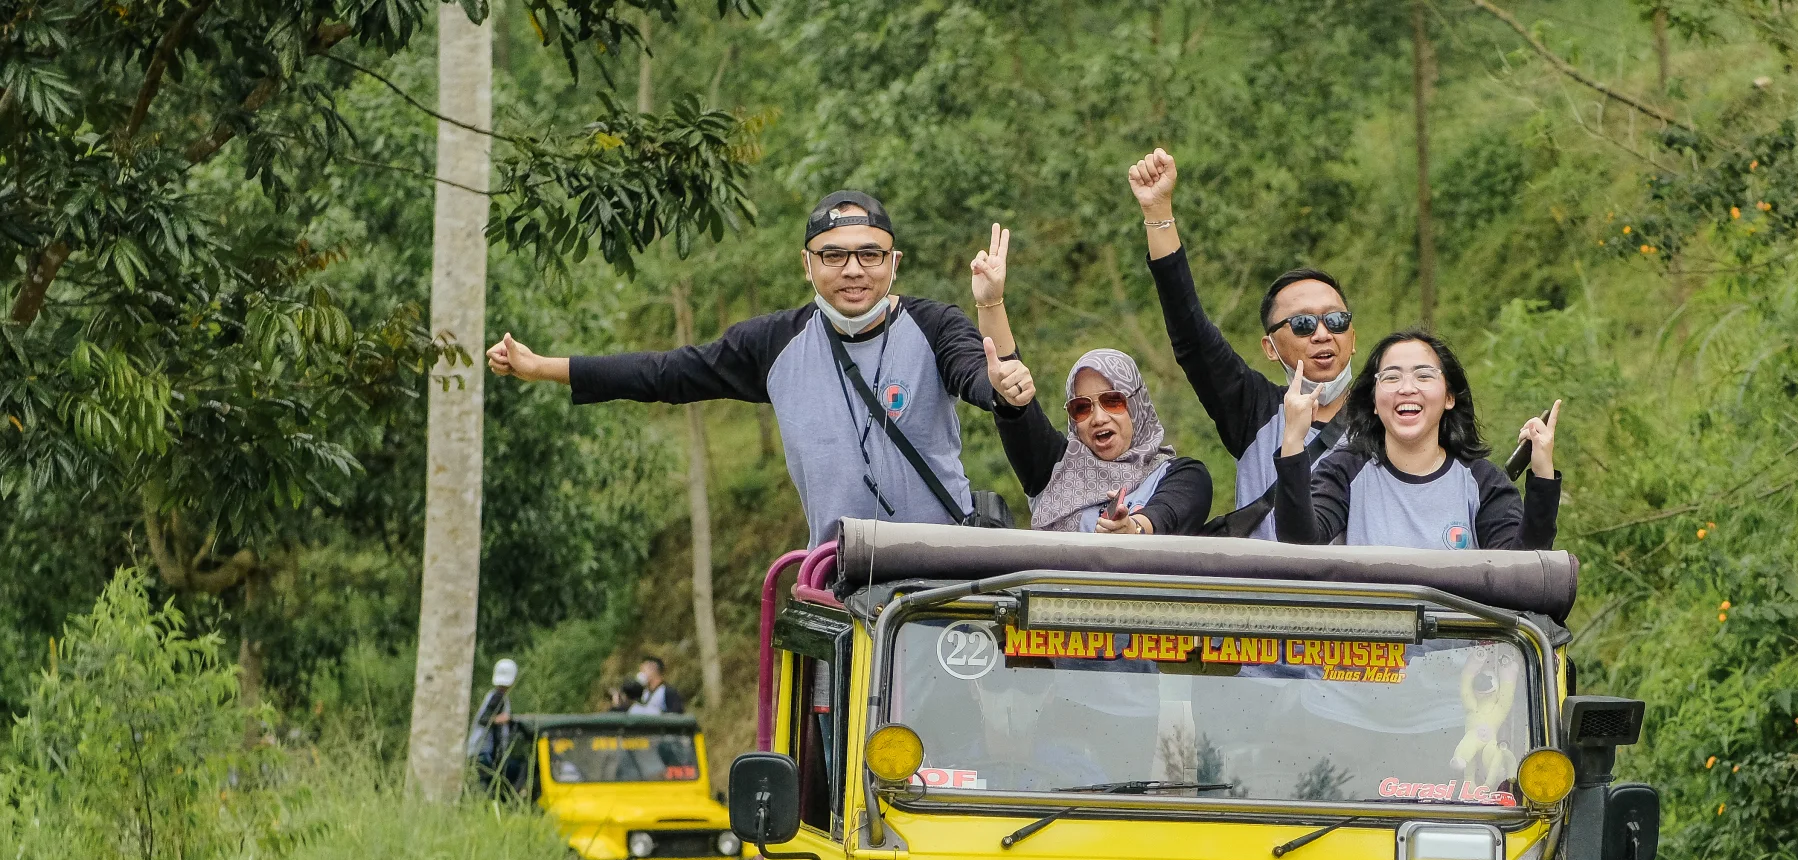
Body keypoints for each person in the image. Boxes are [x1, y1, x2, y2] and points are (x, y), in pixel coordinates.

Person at [485, 191, 999, 546]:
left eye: (869, 255)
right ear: (807, 265)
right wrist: (544, 367)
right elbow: (667, 373)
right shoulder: (774, 343)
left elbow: (981, 378)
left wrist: (999, 380)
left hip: (946, 570)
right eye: (833, 256)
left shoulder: (933, 324)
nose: (853, 270)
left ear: (893, 262)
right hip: (839, 578)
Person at [1125, 149, 1359, 539]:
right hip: (1262, 580)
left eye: (1335, 320)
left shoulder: (1389, 417)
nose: (1322, 334)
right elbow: (1192, 336)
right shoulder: (1254, 410)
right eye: (1302, 324)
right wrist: (1158, 213)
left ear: (1353, 338)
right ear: (1270, 348)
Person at [967, 225, 1210, 535]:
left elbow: (1167, 514)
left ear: (1136, 405)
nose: (1097, 418)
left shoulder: (1180, 475)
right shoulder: (1054, 468)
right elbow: (1013, 395)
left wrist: (1132, 530)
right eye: (1081, 408)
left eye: (1112, 401)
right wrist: (991, 304)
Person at [1273, 330, 1561, 552]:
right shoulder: (1345, 471)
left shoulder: (1482, 482)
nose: (1407, 388)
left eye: (1424, 376)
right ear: (1374, 401)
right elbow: (1300, 542)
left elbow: (1521, 570)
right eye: (1391, 377)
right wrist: (1293, 440)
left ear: (1449, 397)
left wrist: (1543, 477)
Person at [468, 658, 523, 792]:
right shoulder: (497, 697)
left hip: (479, 751)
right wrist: (501, 719)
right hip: (484, 753)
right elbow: (484, 719)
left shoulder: (494, 695)